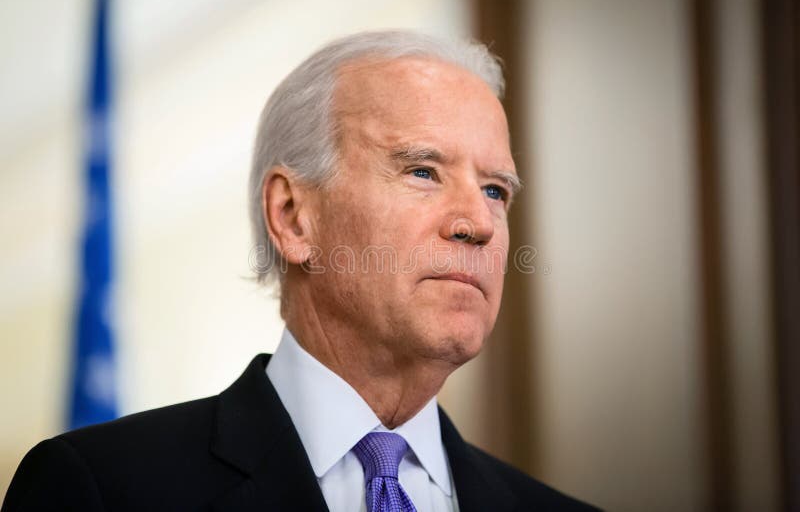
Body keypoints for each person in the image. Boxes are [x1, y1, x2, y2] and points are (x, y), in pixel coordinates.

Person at [2, 30, 598, 512]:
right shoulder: (100, 490)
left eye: (496, 189)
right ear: (292, 217)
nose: (480, 223)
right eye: (423, 171)